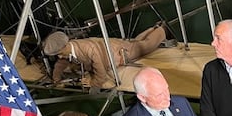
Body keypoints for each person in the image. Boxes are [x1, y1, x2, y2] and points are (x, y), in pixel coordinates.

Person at [43, 23, 175, 91]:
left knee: (145, 47)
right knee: (136, 43)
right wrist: (56, 78)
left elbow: (101, 73)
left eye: (59, 53)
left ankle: (162, 29)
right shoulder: (68, 50)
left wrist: (92, 83)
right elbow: (60, 64)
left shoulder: (88, 49)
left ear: (65, 46)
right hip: (110, 47)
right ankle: (154, 28)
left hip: (119, 53)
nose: (59, 56)